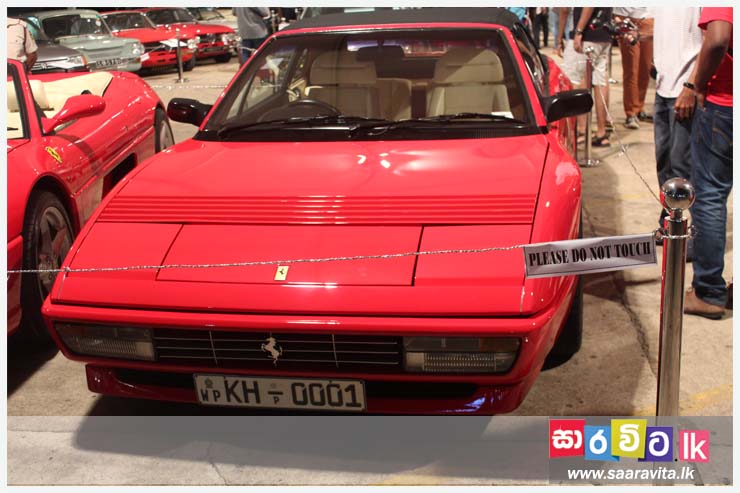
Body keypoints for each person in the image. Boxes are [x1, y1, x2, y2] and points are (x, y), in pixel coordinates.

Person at [684, 7, 733, 320]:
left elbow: (717, 39)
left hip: (725, 105)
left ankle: (708, 292)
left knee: (710, 195)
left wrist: (697, 84)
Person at [652, 8, 702, 228]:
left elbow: (710, 41)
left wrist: (691, 86)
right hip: (662, 87)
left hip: (684, 89)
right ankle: (671, 220)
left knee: (681, 165)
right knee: (663, 161)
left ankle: (687, 228)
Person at [573, 7, 613, 147]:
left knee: (582, 80)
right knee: (601, 82)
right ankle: (601, 131)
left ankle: (582, 130)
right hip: (604, 33)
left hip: (588, 34)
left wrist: (579, 31)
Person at [612, 8, 655, 130]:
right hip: (626, 18)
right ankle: (631, 112)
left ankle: (639, 107)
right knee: (631, 69)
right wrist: (616, 18)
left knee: (645, 68)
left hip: (648, 18)